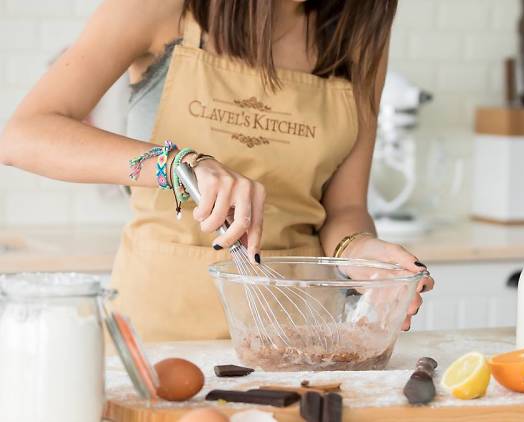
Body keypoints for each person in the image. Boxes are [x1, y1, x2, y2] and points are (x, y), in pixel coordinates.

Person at [0, 0, 434, 341]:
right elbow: (23, 136)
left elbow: (344, 207)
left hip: (300, 334)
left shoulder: (352, 37)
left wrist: (358, 252)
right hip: (159, 335)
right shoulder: (164, 8)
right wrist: (180, 164)